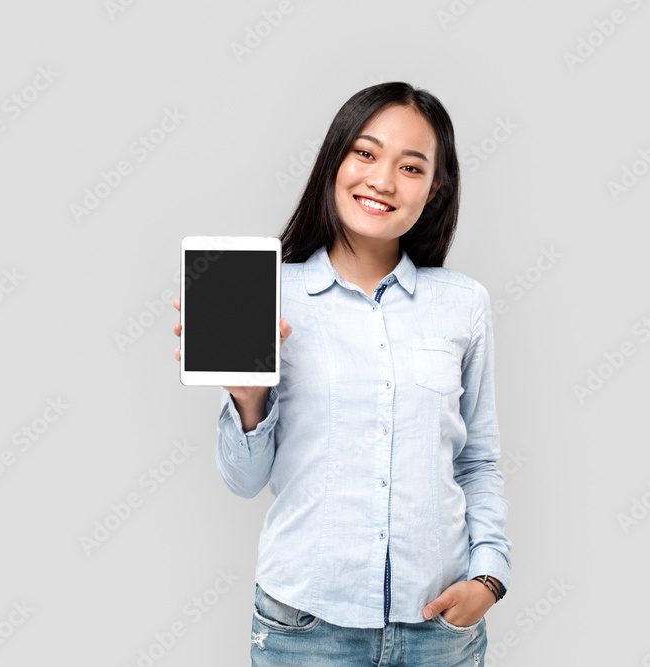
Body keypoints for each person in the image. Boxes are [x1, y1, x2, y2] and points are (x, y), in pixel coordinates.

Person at [173, 81, 511, 666]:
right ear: (335, 161)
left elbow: (477, 462)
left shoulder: (463, 304)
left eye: (411, 167)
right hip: (306, 628)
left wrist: (489, 577)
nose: (383, 180)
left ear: (434, 189)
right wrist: (249, 400)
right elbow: (243, 481)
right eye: (365, 153)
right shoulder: (267, 294)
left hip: (439, 629)